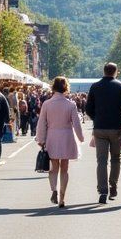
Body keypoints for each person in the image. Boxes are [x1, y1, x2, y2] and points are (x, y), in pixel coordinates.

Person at [85, 62, 121, 204]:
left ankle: (103, 190)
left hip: (100, 128)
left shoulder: (95, 86)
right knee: (116, 158)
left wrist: (95, 118)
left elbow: (88, 108)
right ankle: (113, 185)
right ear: (115, 72)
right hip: (116, 127)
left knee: (101, 160)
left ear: (104, 71)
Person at [36, 76, 84, 207]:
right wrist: (81, 137)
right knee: (64, 169)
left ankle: (54, 190)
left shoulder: (47, 104)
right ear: (65, 88)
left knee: (53, 168)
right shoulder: (71, 104)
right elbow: (76, 124)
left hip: (52, 136)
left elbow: (41, 123)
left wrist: (40, 139)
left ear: (53, 87)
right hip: (67, 136)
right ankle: (62, 197)